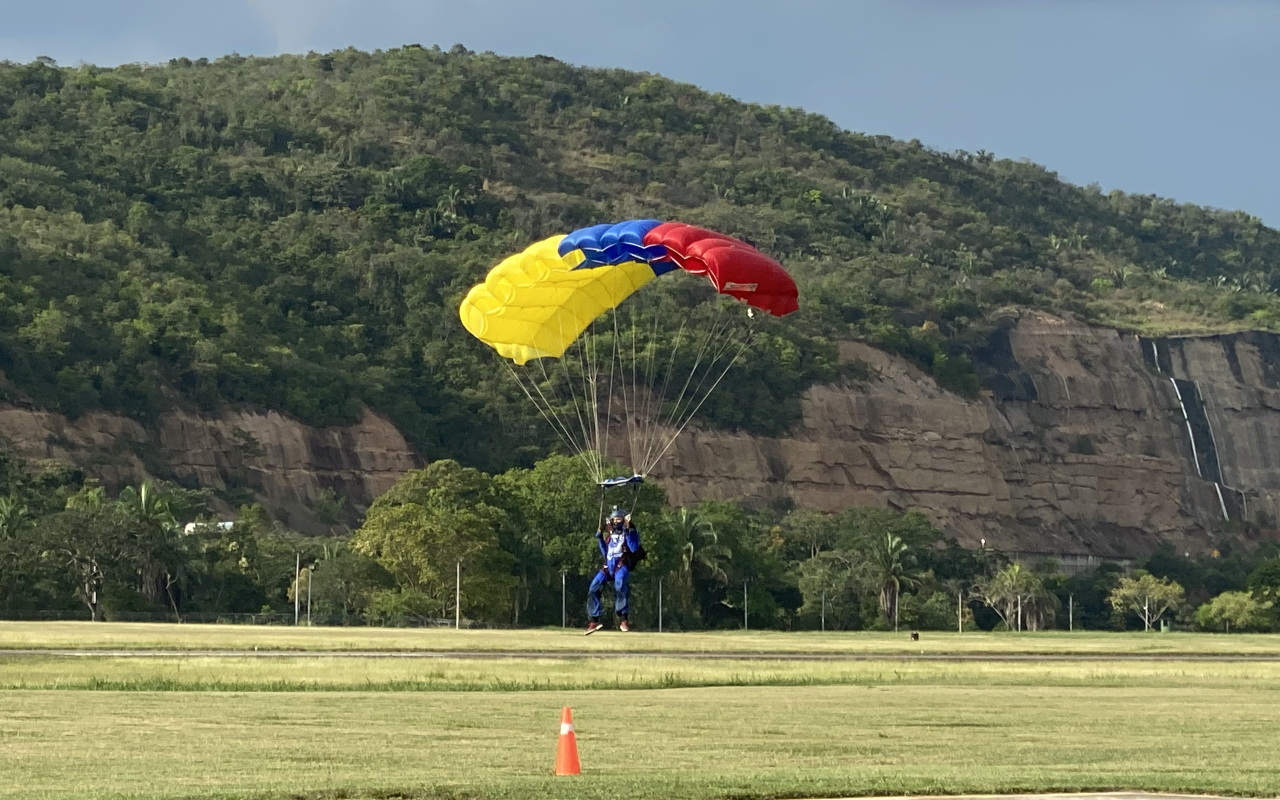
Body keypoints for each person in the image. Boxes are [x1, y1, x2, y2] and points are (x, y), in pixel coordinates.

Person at [585, 507, 642, 634]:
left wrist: (628, 531)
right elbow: (605, 552)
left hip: (621, 565)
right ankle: (594, 620)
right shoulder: (610, 536)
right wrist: (600, 537)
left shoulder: (629, 532)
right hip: (608, 566)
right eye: (614, 519)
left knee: (620, 585)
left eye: (619, 519)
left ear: (623, 520)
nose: (616, 522)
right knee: (593, 587)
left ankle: (623, 618)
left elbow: (633, 548)